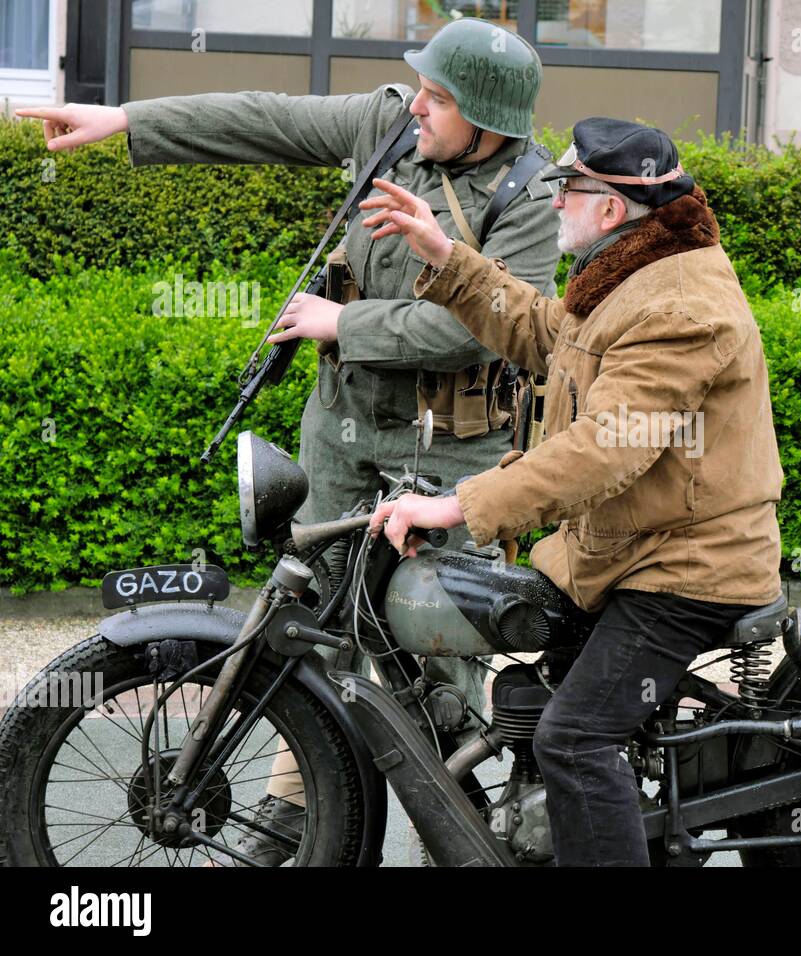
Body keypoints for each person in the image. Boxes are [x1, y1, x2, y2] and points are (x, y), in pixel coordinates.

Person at [17, 17, 562, 865]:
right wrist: (128, 120)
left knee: (437, 652)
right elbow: (265, 119)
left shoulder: (529, 195)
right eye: (420, 85)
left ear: (490, 118)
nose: (419, 103)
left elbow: (488, 329)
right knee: (307, 627)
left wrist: (346, 319)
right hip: (343, 429)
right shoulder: (387, 122)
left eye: (441, 98)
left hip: (456, 449)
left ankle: (453, 835)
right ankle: (292, 825)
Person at [361, 117, 785, 866]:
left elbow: (606, 448)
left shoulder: (677, 305)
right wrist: (443, 255)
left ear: (612, 208)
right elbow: (548, 335)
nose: (553, 202)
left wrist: (462, 504)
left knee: (576, 739)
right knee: (535, 690)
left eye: (567, 189)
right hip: (628, 553)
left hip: (685, 568)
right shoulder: (634, 275)